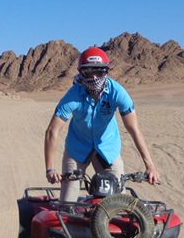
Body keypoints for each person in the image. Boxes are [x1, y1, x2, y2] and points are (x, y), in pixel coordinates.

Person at [44, 46, 161, 202]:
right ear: (80, 72)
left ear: (106, 71)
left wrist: (150, 166)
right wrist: (50, 169)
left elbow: (134, 129)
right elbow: (52, 131)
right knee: (67, 202)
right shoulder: (73, 96)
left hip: (107, 148)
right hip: (77, 149)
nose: (94, 77)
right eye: (88, 71)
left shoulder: (117, 93)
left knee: (119, 201)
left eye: (99, 71)